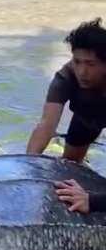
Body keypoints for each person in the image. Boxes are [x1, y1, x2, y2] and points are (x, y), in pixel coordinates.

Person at [26, 18, 106, 164]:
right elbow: (46, 125)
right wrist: (29, 163)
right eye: (77, 61)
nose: (82, 72)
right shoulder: (65, 78)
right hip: (87, 116)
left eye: (90, 64)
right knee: (70, 164)